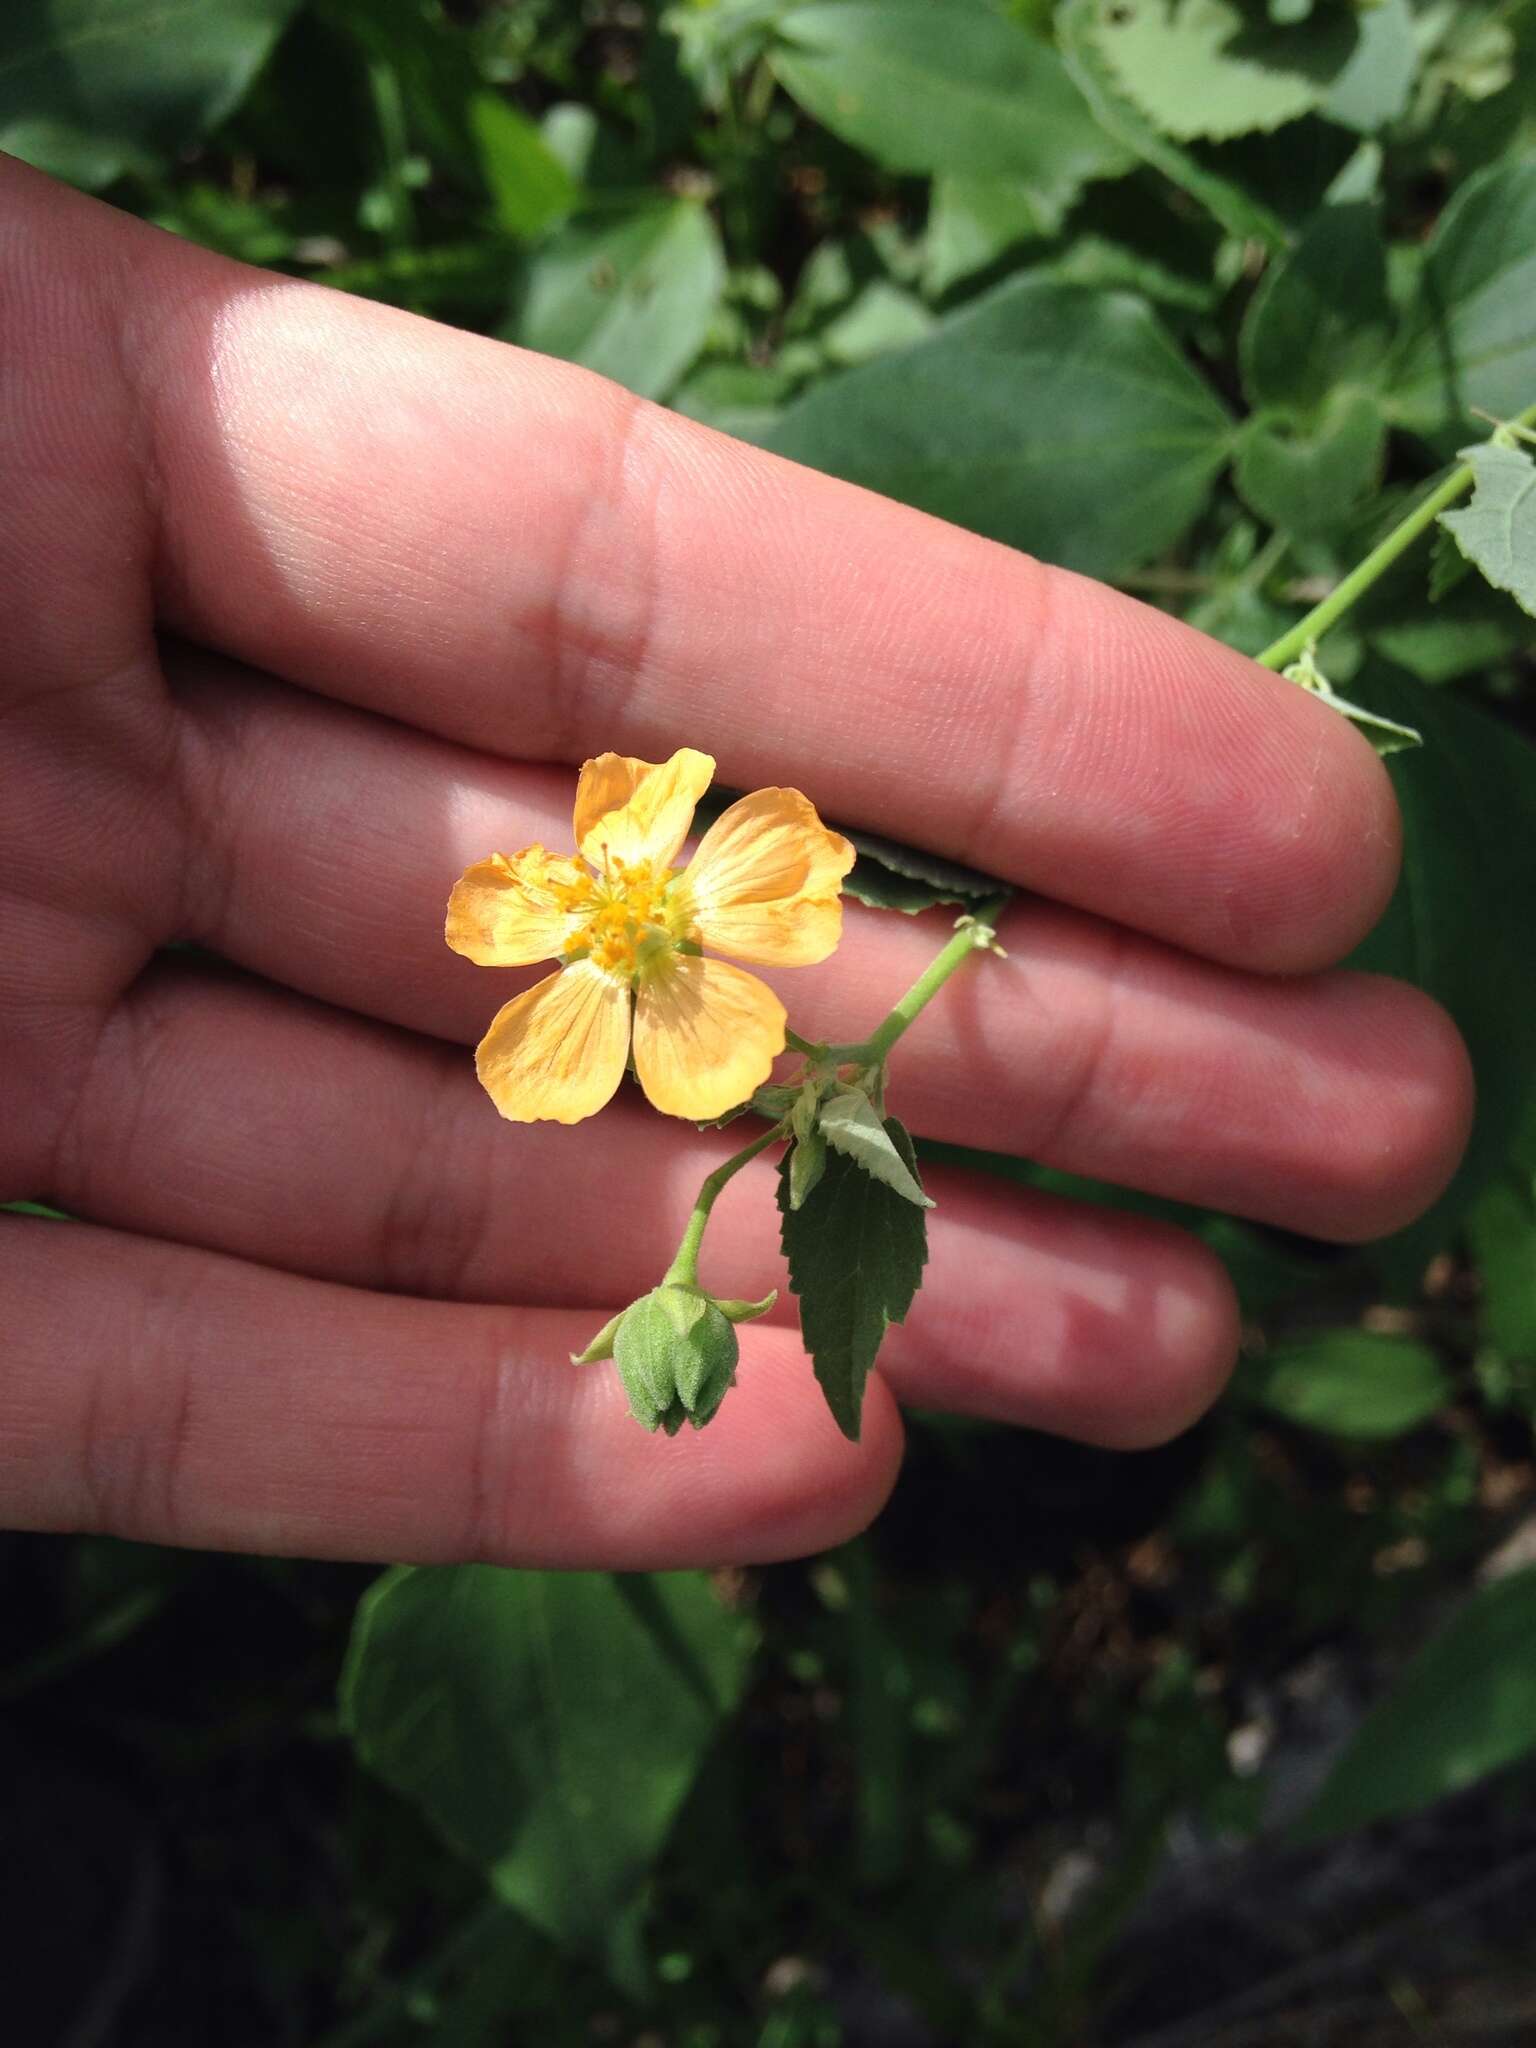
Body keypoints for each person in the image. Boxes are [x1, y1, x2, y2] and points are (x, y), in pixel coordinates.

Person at [0, 155, 1472, 1571]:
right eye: (603, 909)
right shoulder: (631, 993)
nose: (608, 905)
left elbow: (673, 845)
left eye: (606, 901)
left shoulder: (684, 899)